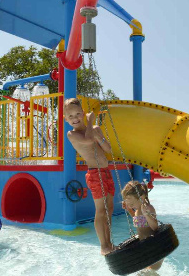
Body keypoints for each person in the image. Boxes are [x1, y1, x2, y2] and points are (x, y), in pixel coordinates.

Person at [64, 98, 115, 255]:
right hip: (94, 173)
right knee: (101, 210)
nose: (75, 118)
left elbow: (108, 149)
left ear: (83, 113)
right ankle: (103, 246)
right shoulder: (71, 134)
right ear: (66, 119)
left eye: (78, 114)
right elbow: (87, 140)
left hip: (106, 172)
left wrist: (99, 135)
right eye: (70, 116)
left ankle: (109, 242)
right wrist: (91, 121)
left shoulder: (94, 129)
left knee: (109, 209)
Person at [121, 180, 164, 271]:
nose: (131, 205)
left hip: (155, 248)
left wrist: (147, 215)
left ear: (141, 197)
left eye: (131, 204)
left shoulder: (148, 208)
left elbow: (155, 227)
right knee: (145, 272)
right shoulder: (137, 210)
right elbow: (138, 221)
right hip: (146, 248)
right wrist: (129, 209)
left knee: (149, 272)